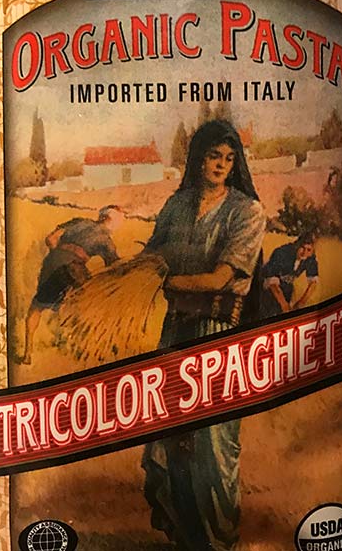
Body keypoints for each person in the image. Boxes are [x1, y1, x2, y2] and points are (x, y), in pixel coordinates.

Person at [142, 120, 266, 551]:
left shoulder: (246, 211)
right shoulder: (175, 206)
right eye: (214, 156)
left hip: (218, 335)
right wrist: (132, 273)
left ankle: (218, 543)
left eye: (229, 158)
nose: (221, 165)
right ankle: (185, 540)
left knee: (213, 446)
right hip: (175, 331)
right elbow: (152, 254)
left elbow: (219, 279)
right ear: (197, 158)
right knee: (169, 437)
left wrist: (163, 281)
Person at [21, 205, 123, 364]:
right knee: (89, 306)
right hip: (74, 267)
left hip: (52, 261)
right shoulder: (106, 240)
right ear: (108, 219)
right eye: (118, 221)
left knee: (37, 306)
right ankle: (92, 348)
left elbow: (50, 239)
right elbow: (114, 267)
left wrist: (58, 255)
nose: (118, 226)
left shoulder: (78, 222)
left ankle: (28, 353)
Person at [261, 232, 319, 317]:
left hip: (286, 289)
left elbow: (313, 282)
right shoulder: (282, 253)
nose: (304, 252)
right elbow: (272, 282)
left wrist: (301, 303)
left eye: (309, 250)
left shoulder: (310, 258)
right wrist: (284, 306)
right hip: (267, 290)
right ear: (297, 245)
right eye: (302, 248)